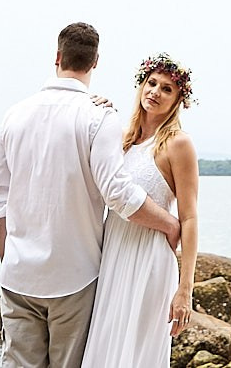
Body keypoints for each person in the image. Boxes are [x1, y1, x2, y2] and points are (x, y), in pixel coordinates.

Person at [0, 23, 183, 368]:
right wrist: (170, 223)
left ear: (57, 56)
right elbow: (118, 193)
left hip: (18, 275)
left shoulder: (14, 115)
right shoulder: (98, 116)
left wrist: (10, 258)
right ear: (95, 62)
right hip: (74, 276)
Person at [81, 52, 201, 368]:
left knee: (137, 355)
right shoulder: (122, 139)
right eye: (152, 83)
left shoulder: (178, 144)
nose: (156, 92)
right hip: (112, 256)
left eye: (167, 89)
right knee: (105, 350)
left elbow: (189, 217)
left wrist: (185, 289)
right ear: (141, 85)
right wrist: (98, 110)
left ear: (178, 100)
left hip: (150, 260)